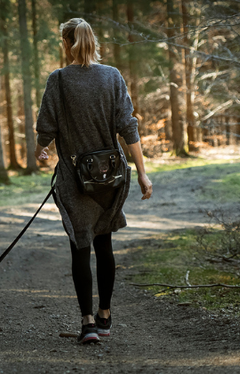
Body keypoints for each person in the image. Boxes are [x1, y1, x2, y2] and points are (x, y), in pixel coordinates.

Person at [35, 18, 152, 344]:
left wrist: (40, 152)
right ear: (91, 41)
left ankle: (87, 323)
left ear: (65, 42)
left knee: (80, 247)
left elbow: (46, 129)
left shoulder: (58, 80)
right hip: (111, 176)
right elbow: (128, 127)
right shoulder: (112, 76)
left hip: (75, 179)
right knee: (105, 244)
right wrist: (142, 172)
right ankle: (105, 316)